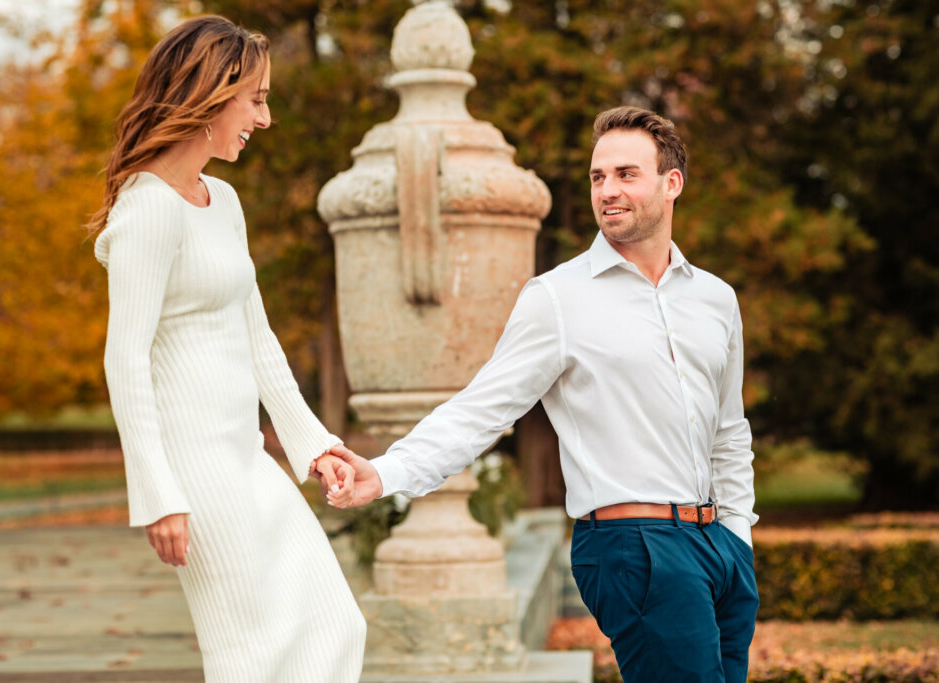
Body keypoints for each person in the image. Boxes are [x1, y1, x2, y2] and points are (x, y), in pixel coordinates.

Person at [331, 106, 759, 682]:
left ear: (671, 183)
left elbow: (729, 430)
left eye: (626, 174)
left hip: (719, 547)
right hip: (635, 546)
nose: (608, 190)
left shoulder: (715, 299)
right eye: (597, 177)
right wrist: (387, 472)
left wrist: (738, 537)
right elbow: (482, 408)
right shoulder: (557, 298)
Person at [88, 16, 364, 682]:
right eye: (257, 98)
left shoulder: (225, 200)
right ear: (212, 94)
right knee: (249, 652)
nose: (263, 119)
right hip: (195, 470)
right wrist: (156, 492)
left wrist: (314, 444)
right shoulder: (147, 209)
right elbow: (124, 360)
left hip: (247, 456)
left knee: (335, 624)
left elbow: (258, 338)